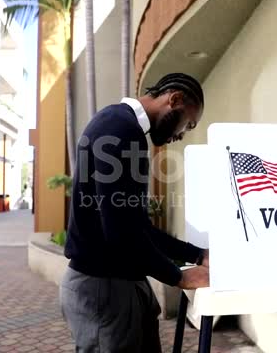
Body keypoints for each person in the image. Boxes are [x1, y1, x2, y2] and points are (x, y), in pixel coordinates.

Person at [60, 73, 209, 352]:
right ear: (174, 99)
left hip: (121, 285)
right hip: (103, 289)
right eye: (187, 124)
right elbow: (121, 231)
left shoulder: (122, 126)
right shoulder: (120, 128)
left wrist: (197, 254)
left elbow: (136, 225)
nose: (180, 135)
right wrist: (180, 277)